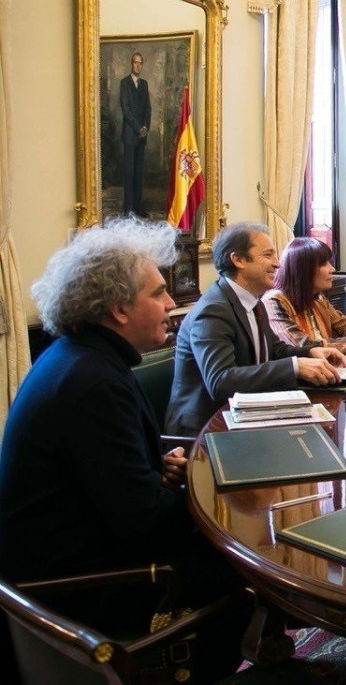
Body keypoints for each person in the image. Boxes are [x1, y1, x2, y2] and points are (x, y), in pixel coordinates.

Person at [0, 219, 244, 650]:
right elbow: (145, 523)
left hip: (76, 551)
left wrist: (156, 469)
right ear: (118, 309)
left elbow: (105, 474)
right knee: (246, 565)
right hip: (80, 587)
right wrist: (207, 490)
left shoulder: (81, 357)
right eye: (157, 292)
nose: (171, 302)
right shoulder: (92, 382)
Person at [165, 222, 346, 435]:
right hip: (206, 432)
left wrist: (310, 352)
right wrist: (295, 367)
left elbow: (275, 349)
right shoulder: (214, 310)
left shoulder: (253, 301)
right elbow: (220, 381)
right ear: (238, 260)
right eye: (268, 255)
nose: (277, 264)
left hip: (245, 416)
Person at [120, 51, 152, 216]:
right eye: (135, 63)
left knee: (139, 173)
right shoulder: (124, 83)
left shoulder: (145, 84)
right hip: (130, 135)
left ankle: (138, 208)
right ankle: (129, 209)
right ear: (131, 64)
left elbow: (148, 108)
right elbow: (126, 110)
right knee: (129, 173)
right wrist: (138, 127)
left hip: (141, 136)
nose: (138, 65)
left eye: (140, 63)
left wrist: (145, 127)